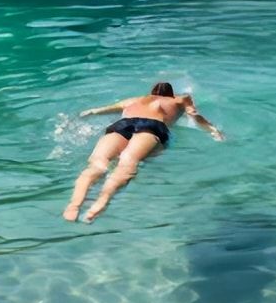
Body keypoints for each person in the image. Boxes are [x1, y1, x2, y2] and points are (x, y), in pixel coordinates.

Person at [65, 82, 224, 222]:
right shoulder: (181, 99)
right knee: (128, 162)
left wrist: (82, 115)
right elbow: (194, 115)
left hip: (123, 124)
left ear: (152, 92)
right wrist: (213, 130)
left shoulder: (135, 100)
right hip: (153, 126)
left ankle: (74, 204)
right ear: (170, 93)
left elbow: (95, 111)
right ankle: (102, 201)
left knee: (97, 164)